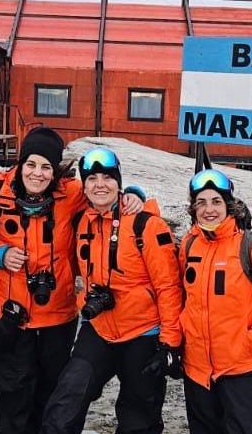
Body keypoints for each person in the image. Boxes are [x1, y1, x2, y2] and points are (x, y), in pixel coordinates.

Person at [0, 128, 145, 434]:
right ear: (21, 163)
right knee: (11, 393)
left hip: (56, 314)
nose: (38, 174)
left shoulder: (70, 194)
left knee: (52, 392)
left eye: (46, 167)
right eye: (31, 164)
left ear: (55, 170)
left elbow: (105, 194)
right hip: (7, 310)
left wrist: (135, 194)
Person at [40, 146, 183, 434]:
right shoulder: (82, 222)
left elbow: (168, 287)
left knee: (138, 416)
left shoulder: (146, 225)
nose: (100, 185)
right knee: (66, 400)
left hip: (144, 333)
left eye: (107, 178)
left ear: (118, 182)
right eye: (92, 179)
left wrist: (170, 343)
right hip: (100, 328)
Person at [178, 168, 252, 434]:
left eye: (216, 201)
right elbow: (182, 297)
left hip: (246, 369)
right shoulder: (189, 245)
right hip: (198, 371)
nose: (209, 209)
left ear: (229, 206)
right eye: (201, 202)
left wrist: (251, 342)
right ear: (193, 209)